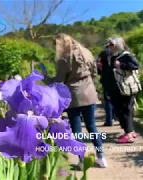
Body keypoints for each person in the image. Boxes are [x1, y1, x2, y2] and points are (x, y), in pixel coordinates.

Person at [43, 33, 107, 168]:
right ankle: (101, 157)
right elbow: (94, 72)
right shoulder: (87, 52)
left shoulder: (65, 59)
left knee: (77, 130)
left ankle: (82, 160)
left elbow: (59, 81)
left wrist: (46, 78)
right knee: (92, 126)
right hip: (89, 93)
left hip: (73, 96)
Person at [105, 36, 139, 143]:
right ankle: (129, 131)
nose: (109, 46)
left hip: (125, 88)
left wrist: (121, 65)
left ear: (117, 44)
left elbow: (135, 65)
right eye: (108, 44)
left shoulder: (125, 55)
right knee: (120, 110)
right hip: (116, 89)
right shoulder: (113, 56)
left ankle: (129, 133)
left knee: (126, 110)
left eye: (111, 44)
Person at [97, 46, 115, 126]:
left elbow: (98, 64)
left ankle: (109, 120)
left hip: (106, 78)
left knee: (108, 100)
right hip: (117, 78)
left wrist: (100, 72)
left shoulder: (103, 53)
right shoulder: (117, 52)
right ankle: (116, 117)